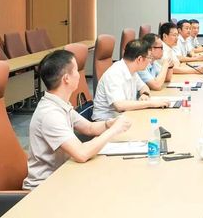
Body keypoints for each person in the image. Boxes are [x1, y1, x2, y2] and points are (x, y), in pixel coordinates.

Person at [23, 50, 132, 190]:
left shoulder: (59, 103)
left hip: (62, 176)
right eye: (76, 70)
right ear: (66, 79)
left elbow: (89, 128)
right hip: (44, 188)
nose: (79, 75)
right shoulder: (50, 114)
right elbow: (81, 153)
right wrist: (114, 130)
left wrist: (108, 124)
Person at [92, 39, 170, 121]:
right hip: (106, 122)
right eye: (149, 57)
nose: (149, 61)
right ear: (139, 59)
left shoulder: (132, 70)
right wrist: (150, 103)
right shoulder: (114, 73)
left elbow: (144, 87)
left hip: (124, 116)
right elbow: (120, 106)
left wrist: (145, 94)